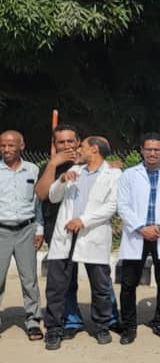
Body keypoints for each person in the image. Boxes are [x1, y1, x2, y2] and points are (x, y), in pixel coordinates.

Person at [35, 124, 121, 337]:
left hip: (90, 231)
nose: (68, 146)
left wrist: (83, 220)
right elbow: (45, 195)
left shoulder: (103, 169)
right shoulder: (53, 166)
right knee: (62, 283)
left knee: (100, 281)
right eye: (61, 142)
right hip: (61, 230)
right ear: (54, 144)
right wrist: (56, 170)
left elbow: (111, 202)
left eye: (72, 142)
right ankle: (69, 322)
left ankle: (107, 321)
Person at [117, 132, 160, 344]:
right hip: (137, 235)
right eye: (148, 149)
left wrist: (159, 226)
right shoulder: (129, 175)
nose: (152, 153)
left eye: (157, 149)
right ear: (142, 150)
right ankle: (129, 326)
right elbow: (122, 205)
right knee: (128, 284)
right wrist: (140, 227)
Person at [0, 130, 45, 341]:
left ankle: (33, 319)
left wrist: (40, 230)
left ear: (22, 146)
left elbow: (38, 204)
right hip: (1, 230)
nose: (6, 149)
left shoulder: (33, 170)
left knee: (29, 278)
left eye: (11, 145)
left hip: (26, 230)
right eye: (2, 145)